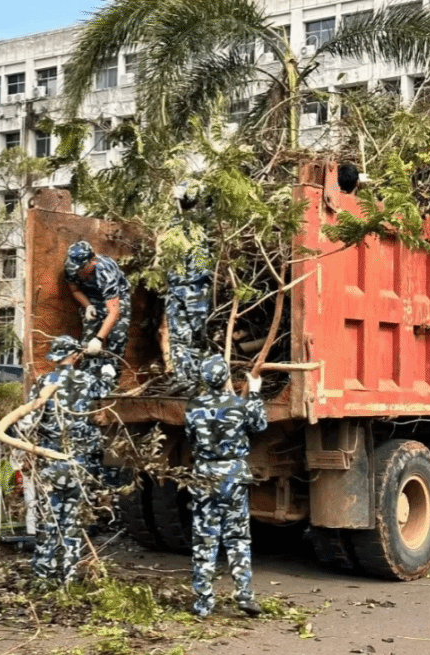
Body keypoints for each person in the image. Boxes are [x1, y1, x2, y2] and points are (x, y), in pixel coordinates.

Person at [185, 355, 267, 618]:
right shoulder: (240, 405)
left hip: (204, 476)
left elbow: (191, 438)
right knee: (238, 537)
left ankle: (203, 602)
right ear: (226, 378)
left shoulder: (193, 407)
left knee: (204, 539)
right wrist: (254, 392)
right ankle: (244, 595)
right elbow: (260, 424)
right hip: (234, 476)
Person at [20, 335, 98, 585]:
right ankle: (70, 575)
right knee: (73, 522)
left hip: (50, 460)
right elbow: (102, 409)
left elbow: (30, 422)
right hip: (78, 460)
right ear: (75, 355)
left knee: (48, 520)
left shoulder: (44, 382)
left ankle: (44, 576)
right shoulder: (88, 381)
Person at [64, 240, 131, 395]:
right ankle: (87, 381)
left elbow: (113, 312)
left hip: (117, 298)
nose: (78, 272)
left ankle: (110, 384)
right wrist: (88, 305)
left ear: (92, 260)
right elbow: (75, 290)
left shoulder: (105, 271)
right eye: (76, 268)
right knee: (88, 341)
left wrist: (99, 339)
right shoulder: (71, 267)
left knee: (117, 336)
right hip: (92, 297)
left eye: (82, 268)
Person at [163, 189, 212, 394]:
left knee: (196, 336)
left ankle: (197, 381)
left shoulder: (201, 220)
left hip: (195, 288)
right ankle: (183, 378)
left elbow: (211, 202)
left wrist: (189, 192)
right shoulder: (174, 222)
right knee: (178, 335)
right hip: (176, 288)